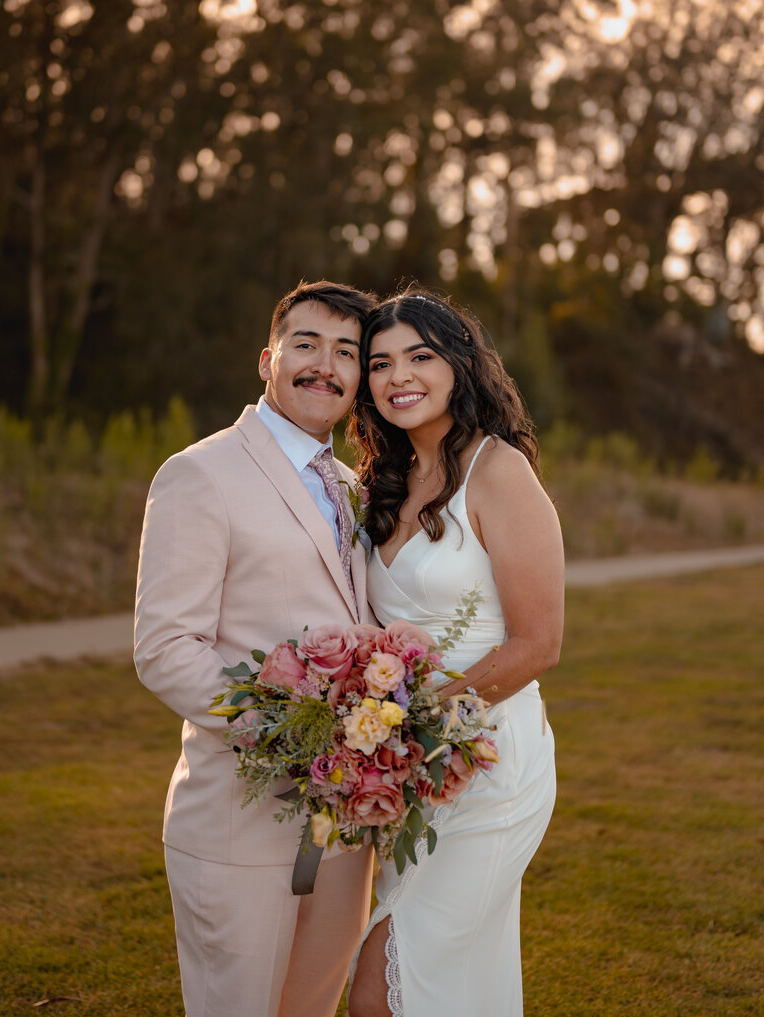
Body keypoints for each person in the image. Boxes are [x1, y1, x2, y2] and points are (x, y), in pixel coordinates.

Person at [134, 280, 377, 1017]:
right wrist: (287, 734)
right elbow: (165, 646)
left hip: (345, 827)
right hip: (239, 824)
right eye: (306, 344)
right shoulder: (200, 473)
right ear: (267, 359)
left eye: (346, 352)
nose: (324, 366)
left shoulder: (355, 487)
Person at [346, 287, 565, 1017]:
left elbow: (539, 644)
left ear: (460, 364)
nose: (397, 375)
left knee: (384, 991)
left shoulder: (498, 472)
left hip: (491, 766)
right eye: (379, 363)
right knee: (449, 986)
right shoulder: (386, 479)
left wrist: (409, 725)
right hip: (412, 777)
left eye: (419, 355)